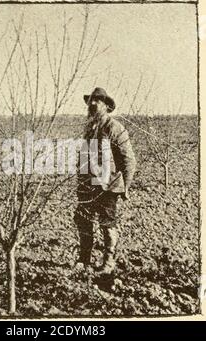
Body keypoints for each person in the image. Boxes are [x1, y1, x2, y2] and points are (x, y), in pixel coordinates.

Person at [74, 87, 136, 275]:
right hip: (87, 185)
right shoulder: (89, 128)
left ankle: (108, 262)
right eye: (91, 100)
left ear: (106, 106)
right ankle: (84, 260)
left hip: (108, 185)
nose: (93, 104)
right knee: (83, 220)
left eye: (98, 101)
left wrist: (125, 186)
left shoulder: (115, 128)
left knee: (107, 224)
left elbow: (129, 160)